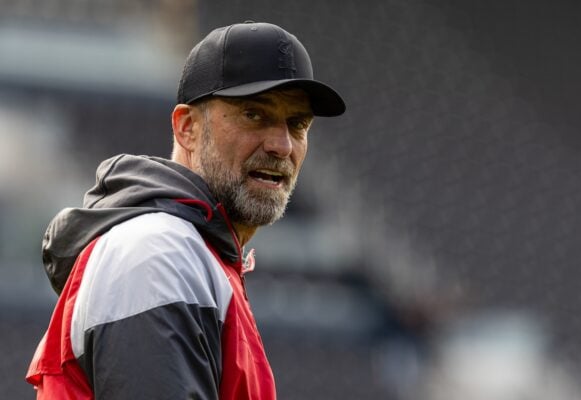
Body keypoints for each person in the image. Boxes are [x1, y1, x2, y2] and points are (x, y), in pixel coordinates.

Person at [25, 21, 345, 399]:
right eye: (254, 115)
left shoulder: (195, 254)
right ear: (187, 128)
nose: (282, 145)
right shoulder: (156, 254)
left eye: (297, 124)